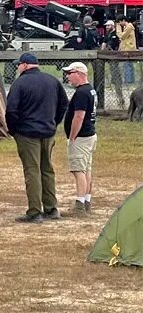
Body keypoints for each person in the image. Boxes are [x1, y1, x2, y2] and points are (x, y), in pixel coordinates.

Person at [6, 52, 68, 224]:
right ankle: (51, 208)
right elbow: (64, 104)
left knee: (32, 171)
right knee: (47, 169)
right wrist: (54, 123)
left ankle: (34, 211)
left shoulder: (19, 83)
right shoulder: (52, 80)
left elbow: (11, 110)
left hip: (27, 133)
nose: (17, 67)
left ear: (25, 65)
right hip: (48, 132)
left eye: (19, 65)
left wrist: (14, 130)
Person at [61, 61, 97, 214]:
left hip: (81, 137)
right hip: (90, 134)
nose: (68, 76)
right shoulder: (90, 90)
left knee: (78, 170)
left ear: (80, 74)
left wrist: (72, 136)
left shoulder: (81, 93)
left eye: (71, 73)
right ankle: (87, 200)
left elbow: (79, 116)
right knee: (86, 169)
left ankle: (80, 204)